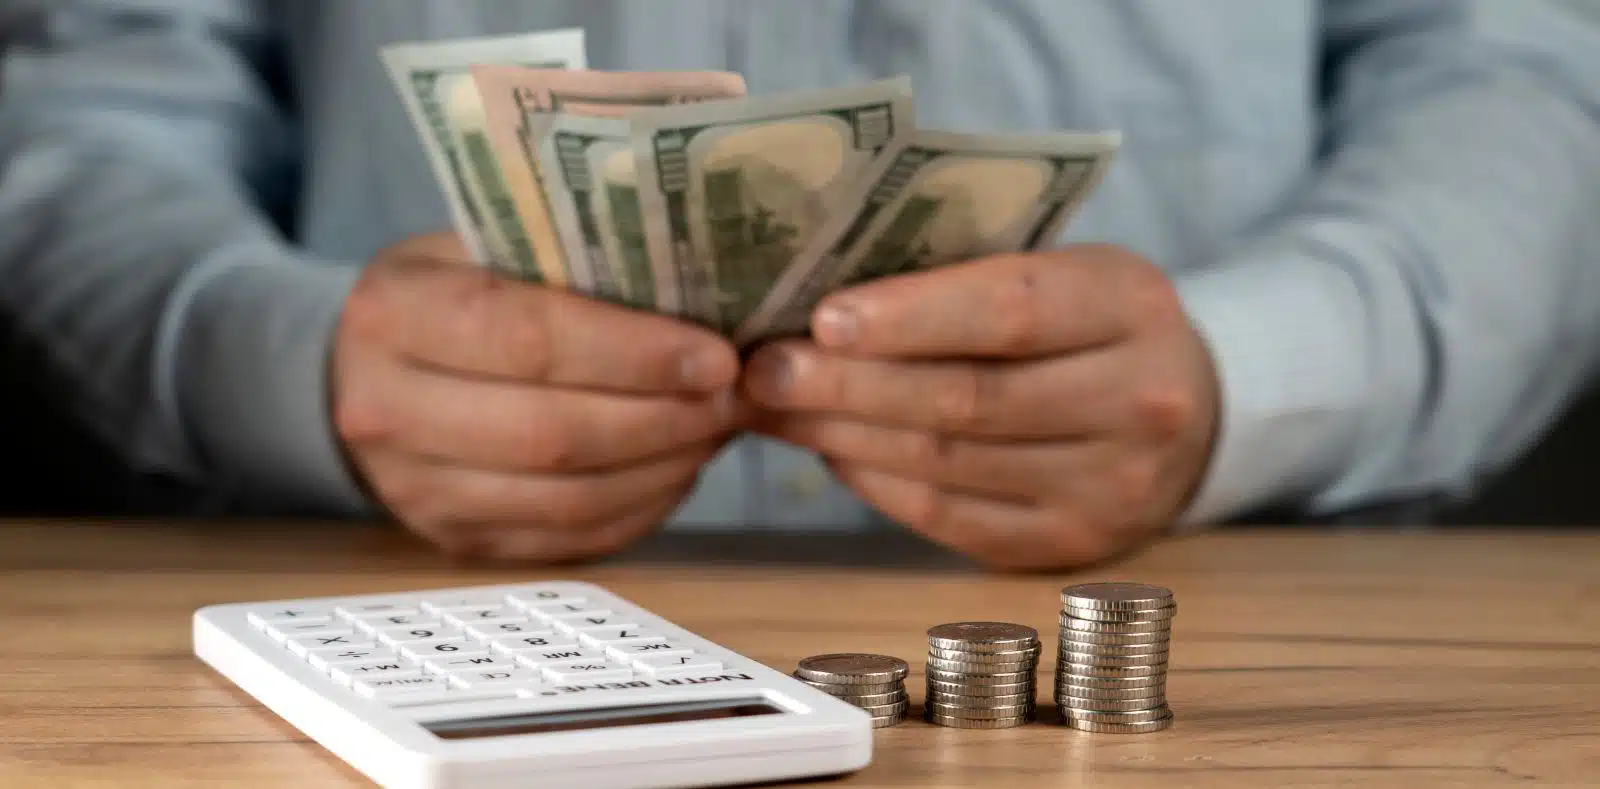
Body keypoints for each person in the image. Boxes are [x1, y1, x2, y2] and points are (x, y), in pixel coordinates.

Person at [1, 1, 1598, 569]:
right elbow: (93, 99)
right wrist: (283, 368)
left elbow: (1517, 64)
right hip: (375, 609)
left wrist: (1257, 375)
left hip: (1233, 618)